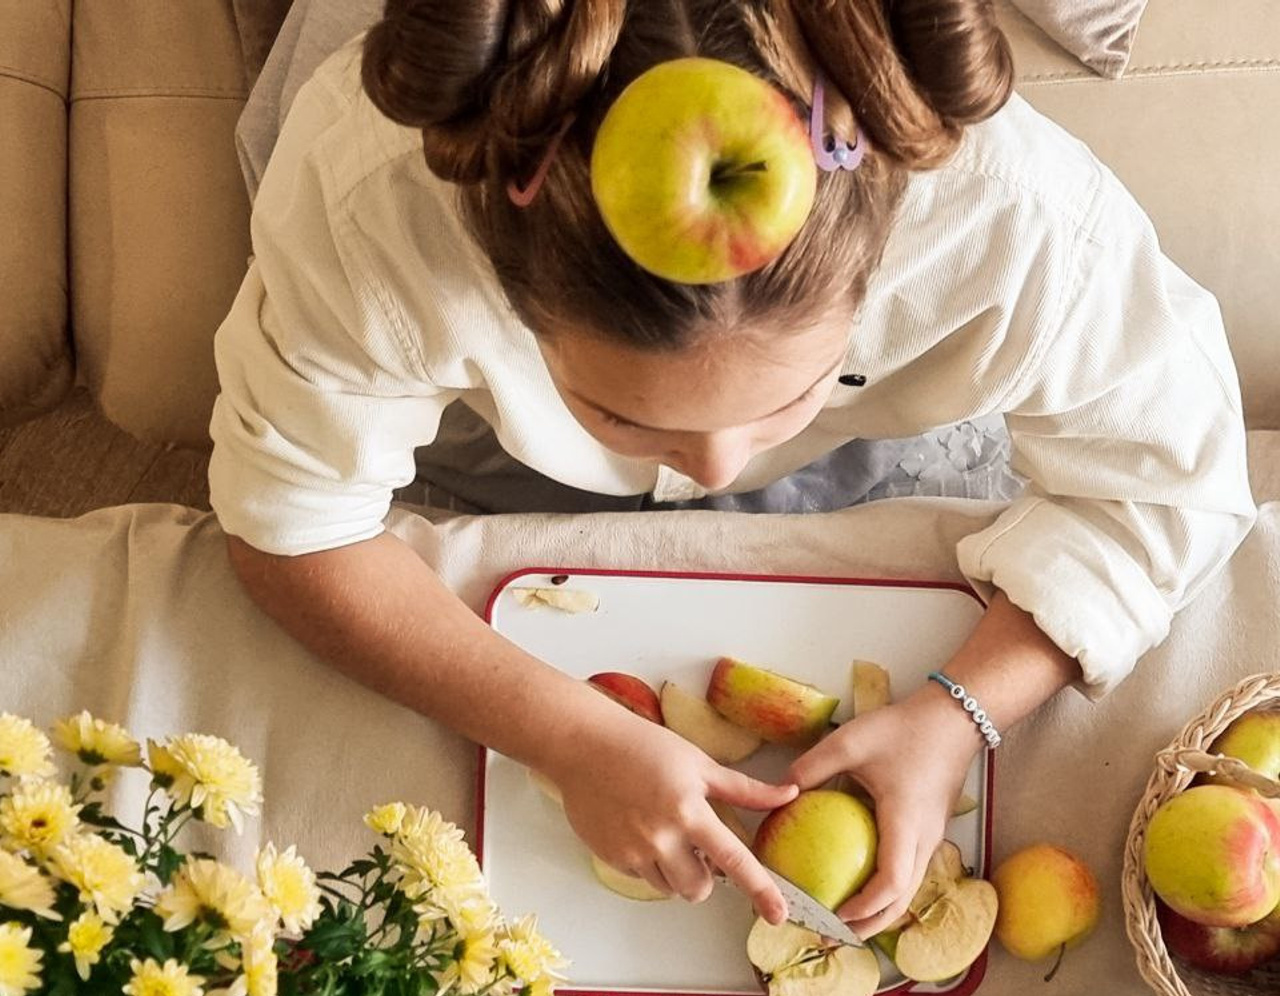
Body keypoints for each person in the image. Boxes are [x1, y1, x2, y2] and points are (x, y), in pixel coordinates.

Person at [209, 0, 1255, 939]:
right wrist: (565, 734)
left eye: (797, 391)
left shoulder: (1013, 220)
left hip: (875, 454)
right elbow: (288, 520)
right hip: (484, 438)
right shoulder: (369, 204)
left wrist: (957, 715)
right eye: (618, 410)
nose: (717, 469)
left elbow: (1165, 478)